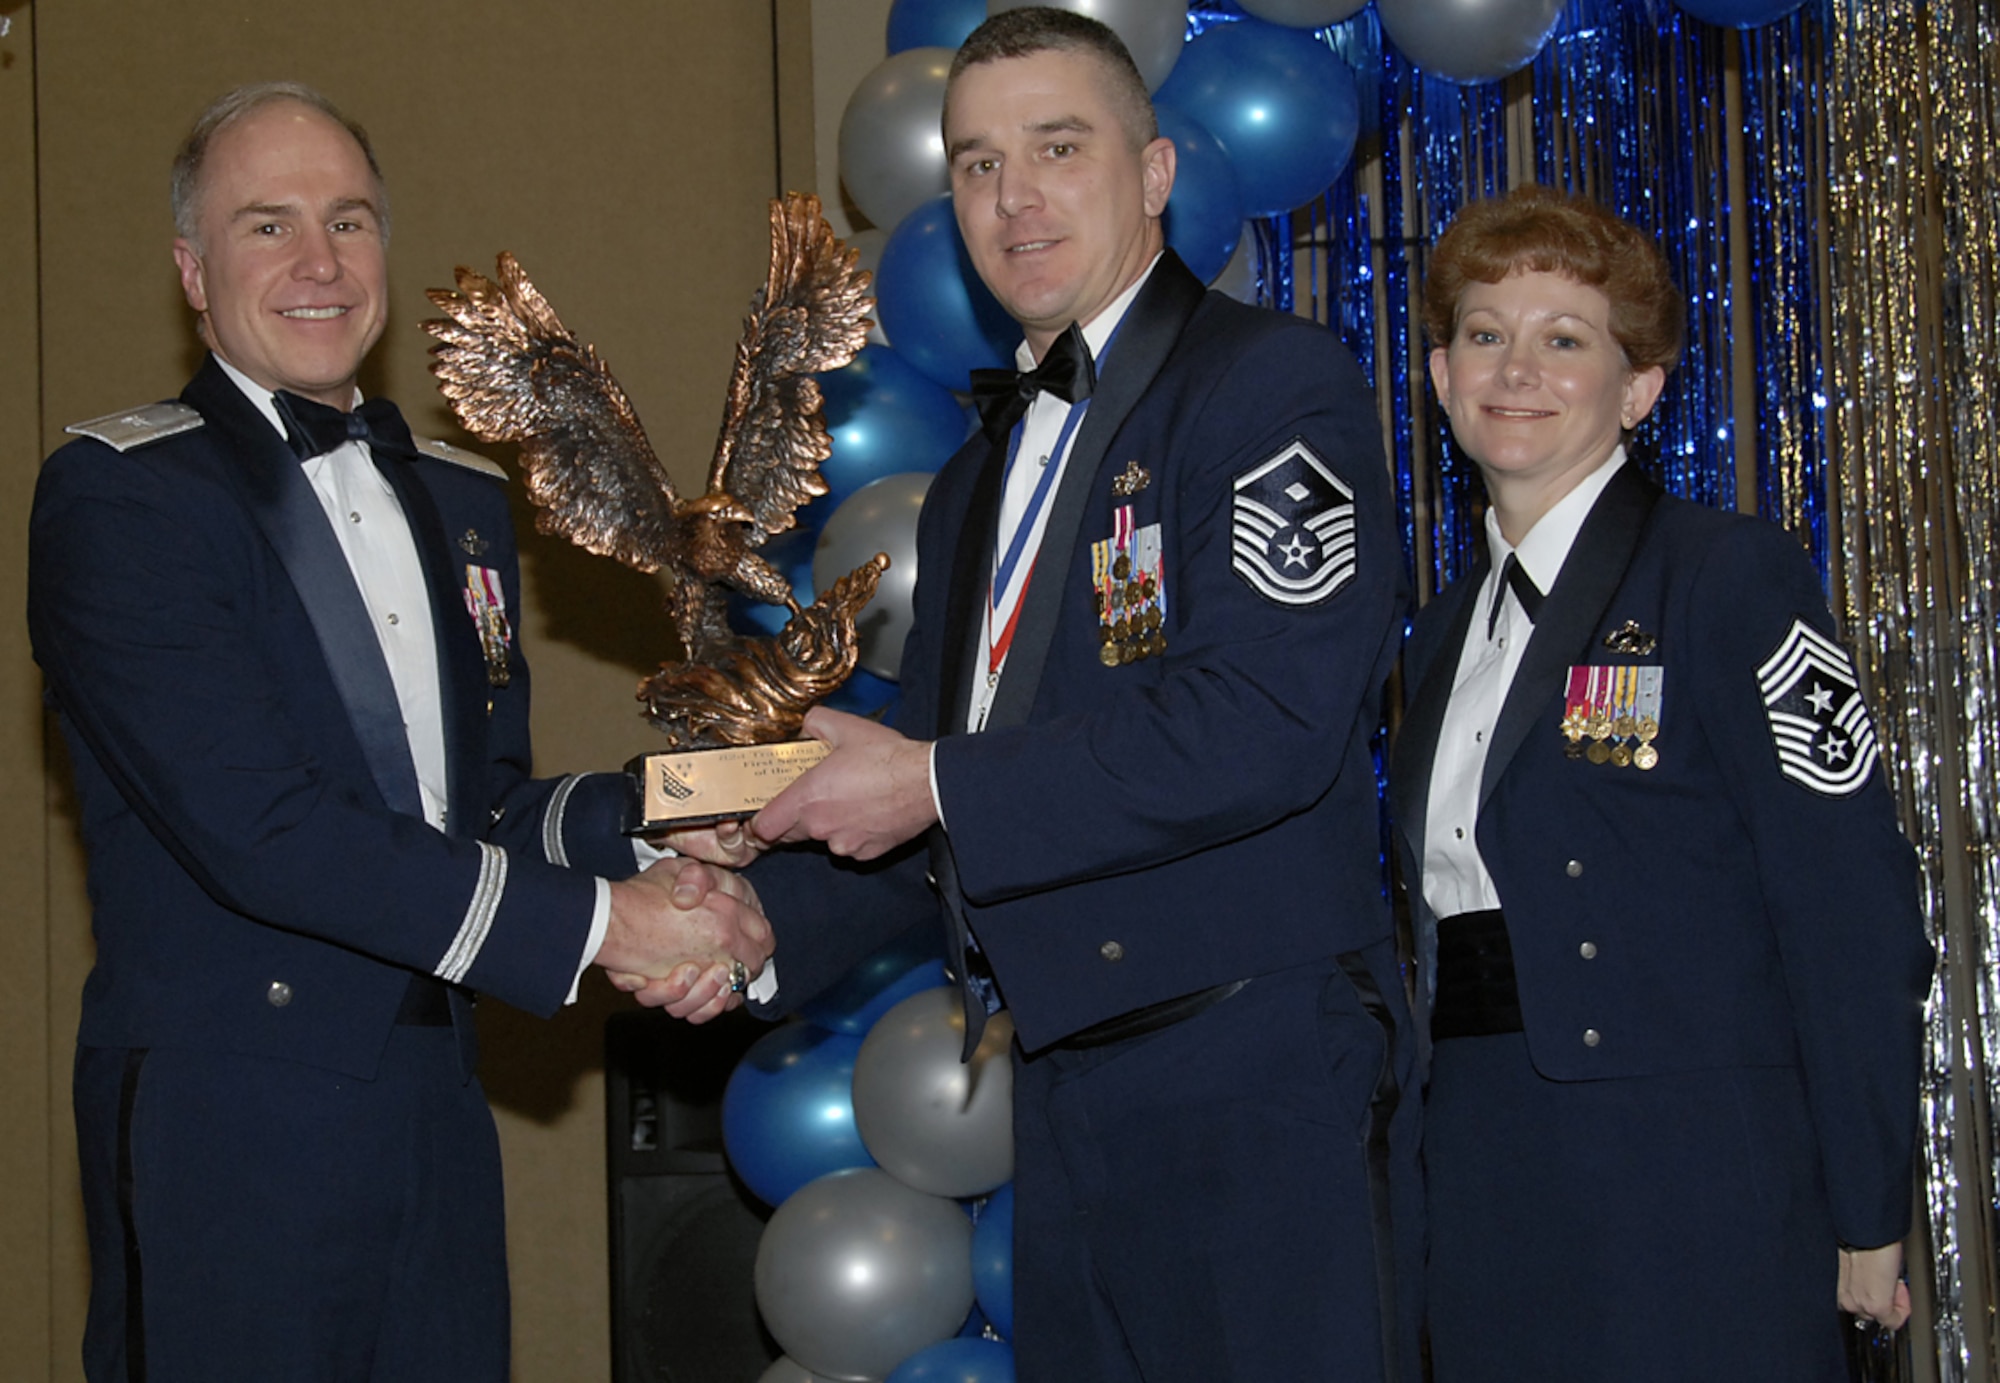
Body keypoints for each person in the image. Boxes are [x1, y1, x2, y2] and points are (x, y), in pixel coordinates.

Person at [667, 10, 1419, 1381]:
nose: (1014, 198)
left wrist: (929, 779)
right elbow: (957, 809)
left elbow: (1263, 717)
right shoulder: (970, 486)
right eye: (975, 163)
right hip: (1067, 1096)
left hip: (1255, 1080)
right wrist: (755, 911)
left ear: (1154, 170)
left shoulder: (1268, 389)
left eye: (1058, 149)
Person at [27, 82, 769, 1383]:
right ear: (194, 273)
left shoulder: (457, 498)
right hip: (231, 1120)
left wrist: (670, 810)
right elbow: (269, 832)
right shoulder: (123, 499)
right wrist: (613, 927)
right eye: (270, 226)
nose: (320, 263)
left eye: (351, 220)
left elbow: (476, 803)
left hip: (432, 1105)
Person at [1391, 185, 1934, 1380]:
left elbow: (1849, 908)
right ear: (1436, 375)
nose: (1514, 368)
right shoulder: (1433, 640)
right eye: (1484, 333)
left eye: (1563, 338)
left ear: (1637, 387)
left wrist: (1864, 1204)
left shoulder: (1727, 576)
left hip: (1686, 1178)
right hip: (1483, 1168)